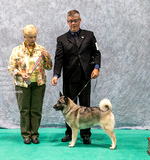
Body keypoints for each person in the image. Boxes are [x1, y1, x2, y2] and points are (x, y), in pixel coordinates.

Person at [51, 10, 101, 144]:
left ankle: (86, 134)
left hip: (86, 77)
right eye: (71, 21)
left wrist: (96, 68)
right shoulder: (61, 39)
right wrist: (56, 75)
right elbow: (58, 59)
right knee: (68, 108)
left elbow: (96, 53)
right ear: (67, 22)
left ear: (80, 20)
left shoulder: (89, 35)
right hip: (69, 78)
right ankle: (69, 132)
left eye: (76, 20)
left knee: (85, 107)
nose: (73, 23)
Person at [8, 24, 52, 144]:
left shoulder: (41, 49)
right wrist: (21, 74)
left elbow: (48, 67)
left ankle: (34, 134)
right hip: (22, 84)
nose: (33, 39)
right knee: (24, 110)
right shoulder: (16, 50)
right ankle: (26, 135)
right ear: (24, 36)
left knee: (36, 110)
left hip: (39, 84)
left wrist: (47, 57)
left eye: (34, 37)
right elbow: (11, 68)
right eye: (30, 37)